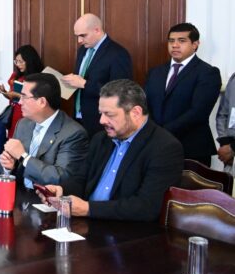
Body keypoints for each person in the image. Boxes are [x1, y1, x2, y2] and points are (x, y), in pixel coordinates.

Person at [38, 79, 183, 222]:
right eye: (101, 113)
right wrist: (61, 190)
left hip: (126, 231)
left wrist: (88, 208)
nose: (102, 121)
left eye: (109, 114)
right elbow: (81, 179)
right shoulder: (101, 139)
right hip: (88, 222)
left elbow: (147, 207)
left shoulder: (164, 147)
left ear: (136, 113)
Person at [144, 23, 222, 166]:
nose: (175, 45)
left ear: (195, 44)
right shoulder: (155, 72)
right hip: (155, 146)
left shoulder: (207, 73)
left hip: (191, 148)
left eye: (182, 41)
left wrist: (162, 132)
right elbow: (145, 104)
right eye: (171, 41)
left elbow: (198, 112)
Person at [0, 73, 88, 187]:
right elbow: (2, 168)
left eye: (24, 96)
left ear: (42, 102)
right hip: (19, 192)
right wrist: (8, 167)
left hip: (47, 197)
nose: (20, 102)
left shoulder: (73, 133)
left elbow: (61, 178)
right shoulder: (23, 124)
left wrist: (23, 157)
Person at [62, 13, 133, 135]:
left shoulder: (118, 54)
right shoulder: (82, 50)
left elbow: (121, 92)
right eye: (77, 36)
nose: (79, 41)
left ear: (97, 30)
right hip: (78, 119)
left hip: (101, 121)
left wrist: (84, 84)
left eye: (83, 35)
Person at [0, 44, 44, 137]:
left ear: (29, 61)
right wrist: (4, 92)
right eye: (16, 61)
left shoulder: (39, 78)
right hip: (14, 113)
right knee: (13, 137)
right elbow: (12, 97)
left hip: (28, 115)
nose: (18, 64)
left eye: (21, 61)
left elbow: (37, 101)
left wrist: (17, 95)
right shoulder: (16, 76)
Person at [216, 72, 235, 169]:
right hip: (229, 156)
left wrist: (233, 148)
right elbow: (222, 114)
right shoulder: (233, 79)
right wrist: (225, 144)